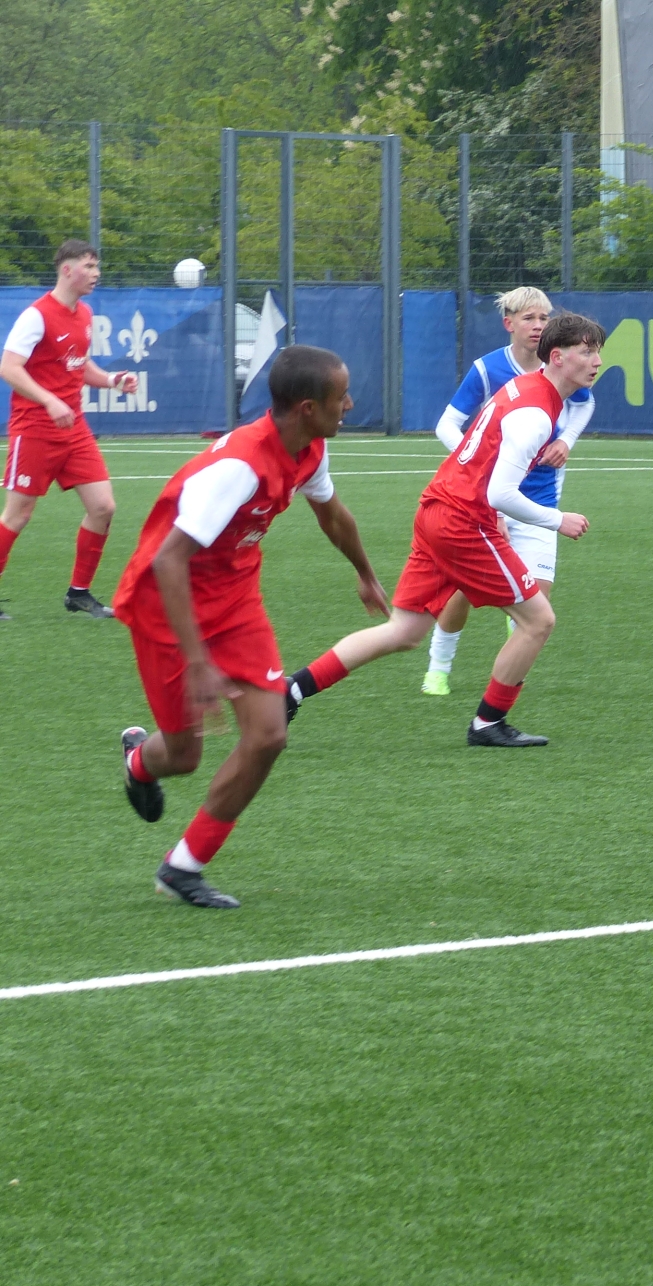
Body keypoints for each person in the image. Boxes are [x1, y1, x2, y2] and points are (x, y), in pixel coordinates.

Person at [114, 345, 387, 909]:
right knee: (184, 756)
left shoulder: (309, 448)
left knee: (268, 734)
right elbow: (169, 560)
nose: (350, 405)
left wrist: (365, 573)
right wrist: (198, 662)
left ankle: (184, 866)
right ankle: (139, 761)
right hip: (165, 603)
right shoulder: (239, 468)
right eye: (341, 397)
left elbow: (333, 515)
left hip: (234, 598)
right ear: (308, 408)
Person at [281, 313, 603, 746]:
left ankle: (292, 689)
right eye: (587, 351)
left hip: (438, 509)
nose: (596, 361)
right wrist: (557, 519)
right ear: (558, 357)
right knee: (538, 621)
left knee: (404, 632)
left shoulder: (529, 388)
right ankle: (488, 723)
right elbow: (501, 494)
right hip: (463, 522)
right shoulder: (536, 413)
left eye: (597, 351)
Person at [421, 287, 594, 695]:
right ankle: (438, 668)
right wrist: (476, 457)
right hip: (487, 504)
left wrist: (566, 439)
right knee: (463, 591)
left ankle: (498, 693)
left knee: (538, 606)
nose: (539, 325)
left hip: (540, 501)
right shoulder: (488, 369)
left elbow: (585, 403)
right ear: (509, 323)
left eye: (544, 318)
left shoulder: (563, 368)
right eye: (529, 318)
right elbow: (447, 424)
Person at [0, 239, 141, 621]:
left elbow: (80, 365)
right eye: (89, 266)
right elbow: (9, 368)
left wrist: (112, 380)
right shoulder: (36, 316)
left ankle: (78, 594)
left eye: (96, 266)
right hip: (35, 429)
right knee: (17, 515)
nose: (96, 274)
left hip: (74, 428)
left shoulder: (85, 314)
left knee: (103, 507)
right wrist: (49, 400)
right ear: (67, 269)